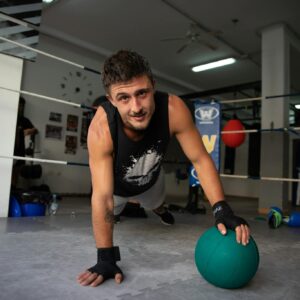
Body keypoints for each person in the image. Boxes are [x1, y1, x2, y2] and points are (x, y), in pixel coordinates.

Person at [77, 50, 250, 287]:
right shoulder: (101, 128)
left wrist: (222, 210)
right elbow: (103, 195)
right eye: (124, 98)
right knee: (113, 212)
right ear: (110, 100)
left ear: (153, 87)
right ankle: (133, 210)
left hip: (151, 179)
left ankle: (159, 210)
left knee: (156, 204)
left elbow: (200, 158)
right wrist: (105, 257)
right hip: (116, 190)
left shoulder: (173, 109)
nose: (136, 107)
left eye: (142, 93)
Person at [11, 97, 38, 188]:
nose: (20, 107)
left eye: (22, 106)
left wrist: (29, 131)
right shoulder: (8, 117)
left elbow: (35, 130)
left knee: (16, 175)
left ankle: (13, 193)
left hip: (19, 152)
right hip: (8, 151)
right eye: (19, 105)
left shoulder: (24, 120)